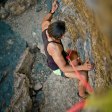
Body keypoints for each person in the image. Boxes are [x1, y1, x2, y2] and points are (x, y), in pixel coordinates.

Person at [41, 0, 93, 98]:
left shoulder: (46, 27)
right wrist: (83, 68)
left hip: (61, 58)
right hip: (58, 68)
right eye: (63, 35)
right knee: (83, 75)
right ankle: (82, 94)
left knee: (75, 54)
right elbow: (63, 68)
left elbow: (45, 20)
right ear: (58, 37)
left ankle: (77, 67)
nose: (64, 36)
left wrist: (52, 11)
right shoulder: (54, 49)